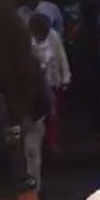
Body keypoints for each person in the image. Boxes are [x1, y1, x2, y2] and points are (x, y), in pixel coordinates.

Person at [29, 12, 70, 152]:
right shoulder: (27, 40)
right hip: (35, 84)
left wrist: (65, 77)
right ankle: (38, 144)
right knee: (38, 116)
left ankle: (52, 142)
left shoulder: (53, 36)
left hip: (52, 81)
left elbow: (61, 56)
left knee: (53, 114)